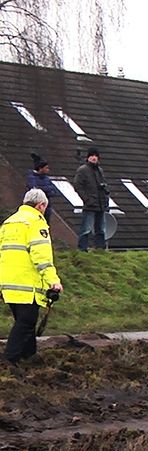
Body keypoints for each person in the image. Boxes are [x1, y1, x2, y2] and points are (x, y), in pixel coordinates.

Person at [0, 189, 63, 367]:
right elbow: (41, 257)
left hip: (8, 283)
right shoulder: (36, 222)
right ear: (41, 205)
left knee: (24, 323)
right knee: (26, 323)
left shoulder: (8, 222)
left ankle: (30, 358)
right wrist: (53, 281)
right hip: (27, 285)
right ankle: (9, 360)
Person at [73, 147, 109, 251]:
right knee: (86, 229)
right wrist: (87, 199)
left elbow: (104, 185)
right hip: (90, 204)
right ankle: (83, 249)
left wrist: (106, 197)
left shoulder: (100, 170)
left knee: (101, 229)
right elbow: (77, 186)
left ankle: (100, 249)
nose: (94, 158)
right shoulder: (83, 170)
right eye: (92, 156)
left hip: (101, 204)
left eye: (95, 156)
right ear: (88, 157)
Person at [25, 153, 61, 223]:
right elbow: (34, 189)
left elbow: (54, 191)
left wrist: (43, 189)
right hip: (35, 207)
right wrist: (47, 189)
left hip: (47, 207)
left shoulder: (47, 178)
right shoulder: (31, 178)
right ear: (40, 168)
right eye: (46, 168)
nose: (48, 170)